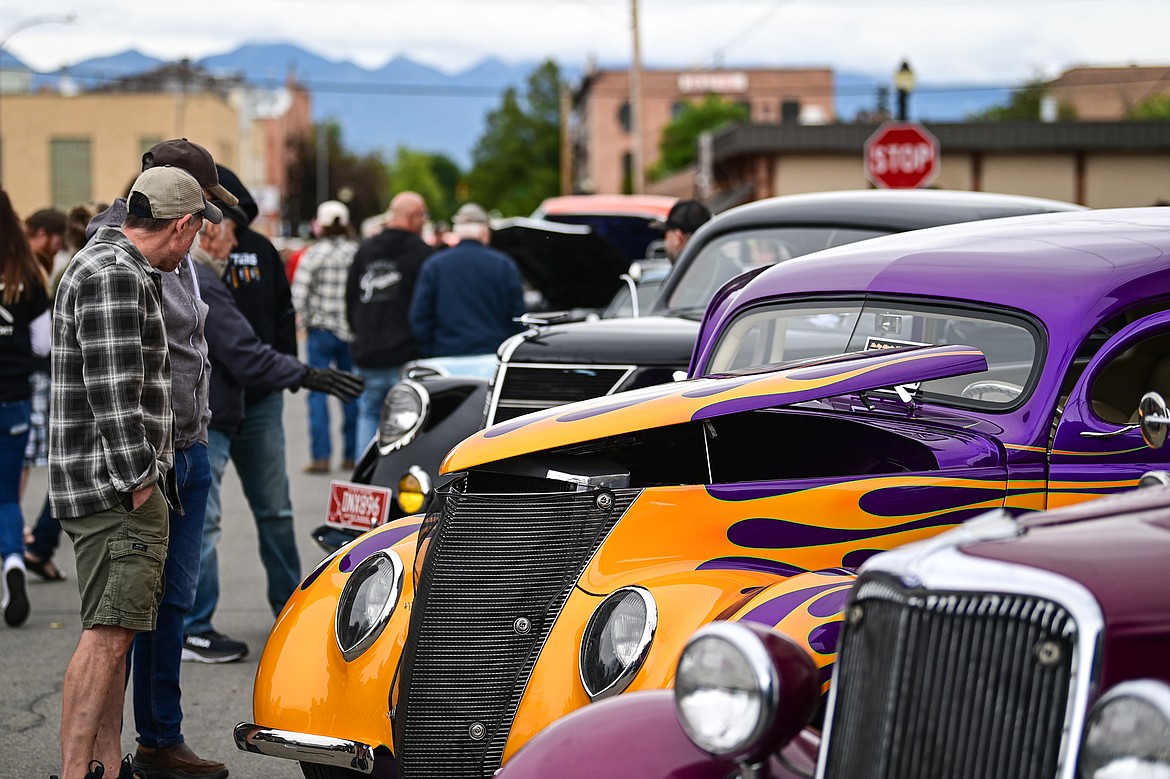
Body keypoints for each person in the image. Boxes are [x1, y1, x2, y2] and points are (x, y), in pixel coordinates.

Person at [50, 166, 221, 779]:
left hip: (105, 481)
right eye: (197, 231)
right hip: (116, 486)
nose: (195, 244)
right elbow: (116, 397)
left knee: (114, 633)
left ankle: (102, 766)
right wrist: (141, 483)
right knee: (107, 636)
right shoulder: (118, 275)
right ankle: (78, 773)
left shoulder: (108, 261)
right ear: (180, 226)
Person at [182, 167, 358, 664]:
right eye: (223, 225)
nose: (230, 238)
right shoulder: (192, 271)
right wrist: (303, 374)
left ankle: (288, 607)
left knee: (275, 509)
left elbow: (282, 315)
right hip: (212, 405)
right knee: (206, 520)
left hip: (258, 397)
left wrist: (285, 372)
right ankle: (196, 625)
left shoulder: (257, 251)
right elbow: (236, 345)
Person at [24, 204, 102, 584]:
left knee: (66, 463)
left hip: (61, 376)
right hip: (69, 378)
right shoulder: (74, 270)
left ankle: (37, 543)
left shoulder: (63, 269)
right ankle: (35, 543)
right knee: (71, 464)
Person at [346, 191, 433, 450]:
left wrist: (360, 334)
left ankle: (366, 484)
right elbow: (427, 307)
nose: (424, 222)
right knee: (408, 422)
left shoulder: (365, 250)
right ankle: (398, 482)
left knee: (369, 415)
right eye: (423, 216)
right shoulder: (423, 254)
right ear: (412, 217)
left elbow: (350, 299)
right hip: (406, 354)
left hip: (369, 352)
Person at [1, 189, 51, 629]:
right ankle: (14, 559)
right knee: (6, 496)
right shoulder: (28, 277)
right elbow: (43, 344)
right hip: (13, 397)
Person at [291, 200, 360, 473]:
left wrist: (306, 321)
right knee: (352, 392)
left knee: (317, 394)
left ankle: (321, 457)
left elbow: (298, 296)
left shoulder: (314, 254)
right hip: (351, 332)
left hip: (320, 332)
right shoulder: (356, 253)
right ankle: (351, 455)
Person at [409, 202, 526, 357]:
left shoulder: (434, 265)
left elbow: (419, 317)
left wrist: (433, 350)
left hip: (447, 354)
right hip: (493, 354)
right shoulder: (504, 265)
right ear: (484, 231)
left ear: (457, 231)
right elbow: (517, 315)